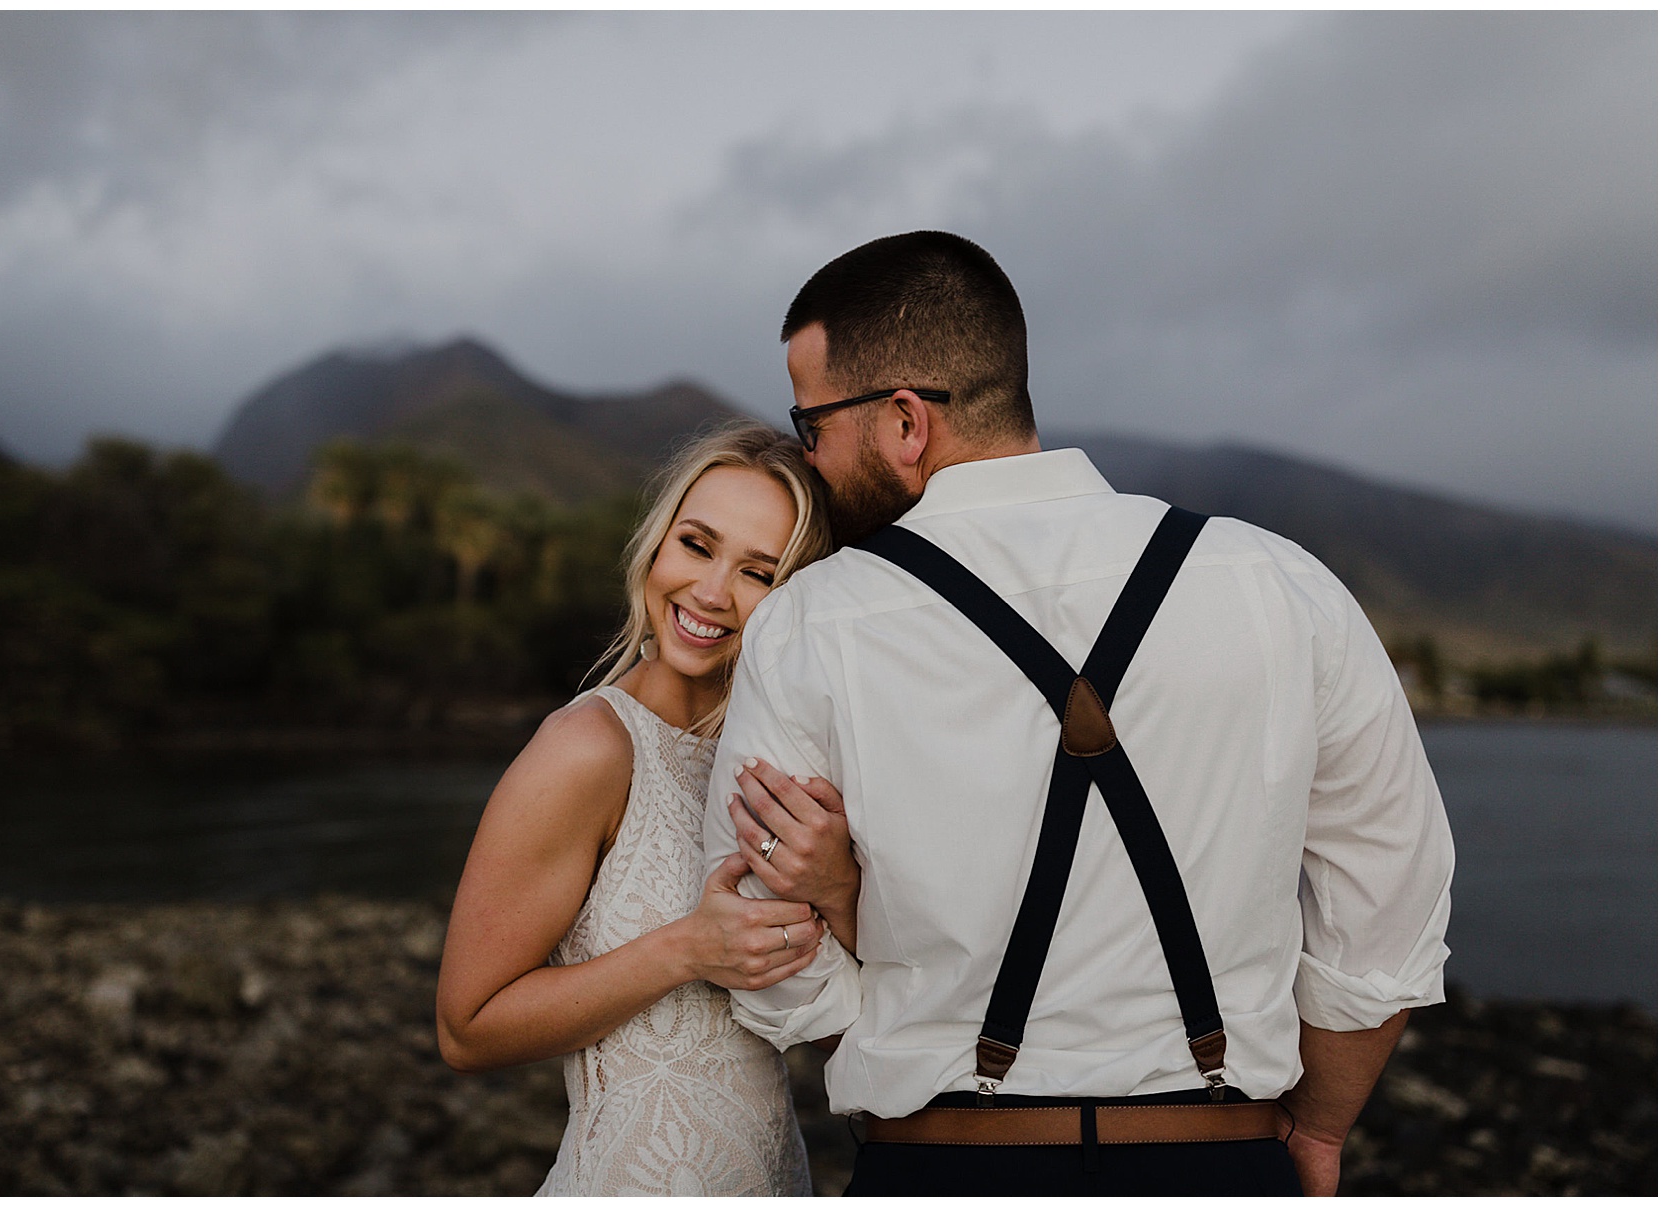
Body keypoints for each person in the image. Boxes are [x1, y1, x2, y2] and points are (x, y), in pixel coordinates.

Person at [704, 231, 1455, 1195]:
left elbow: (759, 947)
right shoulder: (1280, 582)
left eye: (811, 424)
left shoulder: (813, 620)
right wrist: (1316, 1130)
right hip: (1218, 1164)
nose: (809, 455)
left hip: (944, 1168)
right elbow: (1391, 901)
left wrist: (893, 994)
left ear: (903, 422)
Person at [435, 423, 860, 1196]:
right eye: (696, 545)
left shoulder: (784, 767)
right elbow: (467, 1029)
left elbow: (848, 1028)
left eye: (757, 571)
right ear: (657, 545)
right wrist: (685, 950)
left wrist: (838, 889)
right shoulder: (586, 747)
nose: (709, 590)